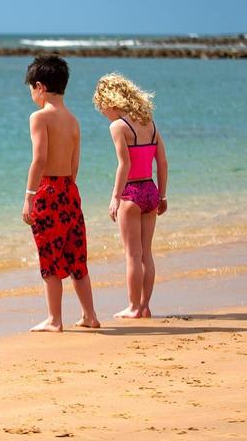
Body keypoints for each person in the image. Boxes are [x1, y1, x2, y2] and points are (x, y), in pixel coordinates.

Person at [22, 54, 100, 332]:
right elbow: (75, 163)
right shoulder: (73, 120)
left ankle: (55, 319)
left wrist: (30, 195)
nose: (32, 94)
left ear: (40, 86)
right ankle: (89, 314)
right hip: (70, 188)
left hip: (48, 190)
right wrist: (67, 189)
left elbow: (39, 159)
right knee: (76, 256)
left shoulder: (39, 117)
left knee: (50, 255)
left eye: (31, 89)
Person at [92, 73, 168, 318]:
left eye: (103, 109)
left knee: (132, 255)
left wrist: (115, 197)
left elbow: (123, 165)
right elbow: (162, 162)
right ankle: (145, 306)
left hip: (132, 193)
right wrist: (163, 196)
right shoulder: (150, 123)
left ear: (111, 102)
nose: (104, 114)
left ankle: (133, 307)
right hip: (151, 190)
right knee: (147, 253)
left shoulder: (118, 126)